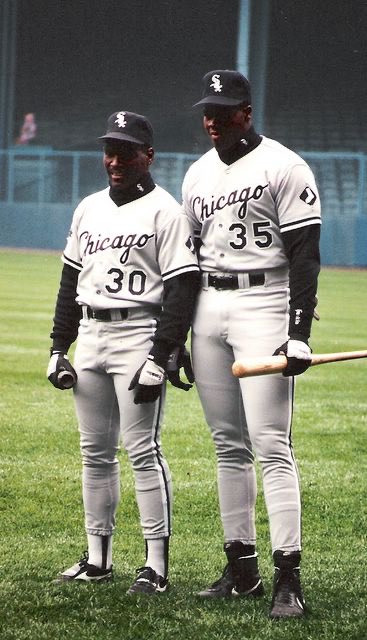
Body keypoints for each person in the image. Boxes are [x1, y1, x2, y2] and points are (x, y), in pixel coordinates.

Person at [182, 70, 321, 618]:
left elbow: (305, 254)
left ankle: (289, 575)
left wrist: (299, 333)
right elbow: (188, 263)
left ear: (247, 111)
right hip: (209, 305)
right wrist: (174, 339)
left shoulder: (284, 165)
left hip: (266, 299)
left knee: (271, 444)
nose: (211, 119)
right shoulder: (197, 173)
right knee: (226, 443)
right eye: (206, 110)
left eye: (222, 109)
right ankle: (242, 568)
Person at [47, 110, 200, 594]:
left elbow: (181, 286)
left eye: (126, 151)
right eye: (109, 150)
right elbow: (71, 281)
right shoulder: (88, 208)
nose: (115, 159)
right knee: (94, 451)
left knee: (141, 450)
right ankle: (98, 558)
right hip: (91, 335)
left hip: (138, 335)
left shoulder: (165, 211)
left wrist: (161, 353)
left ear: (148, 155)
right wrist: (58, 345)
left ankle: (155, 566)